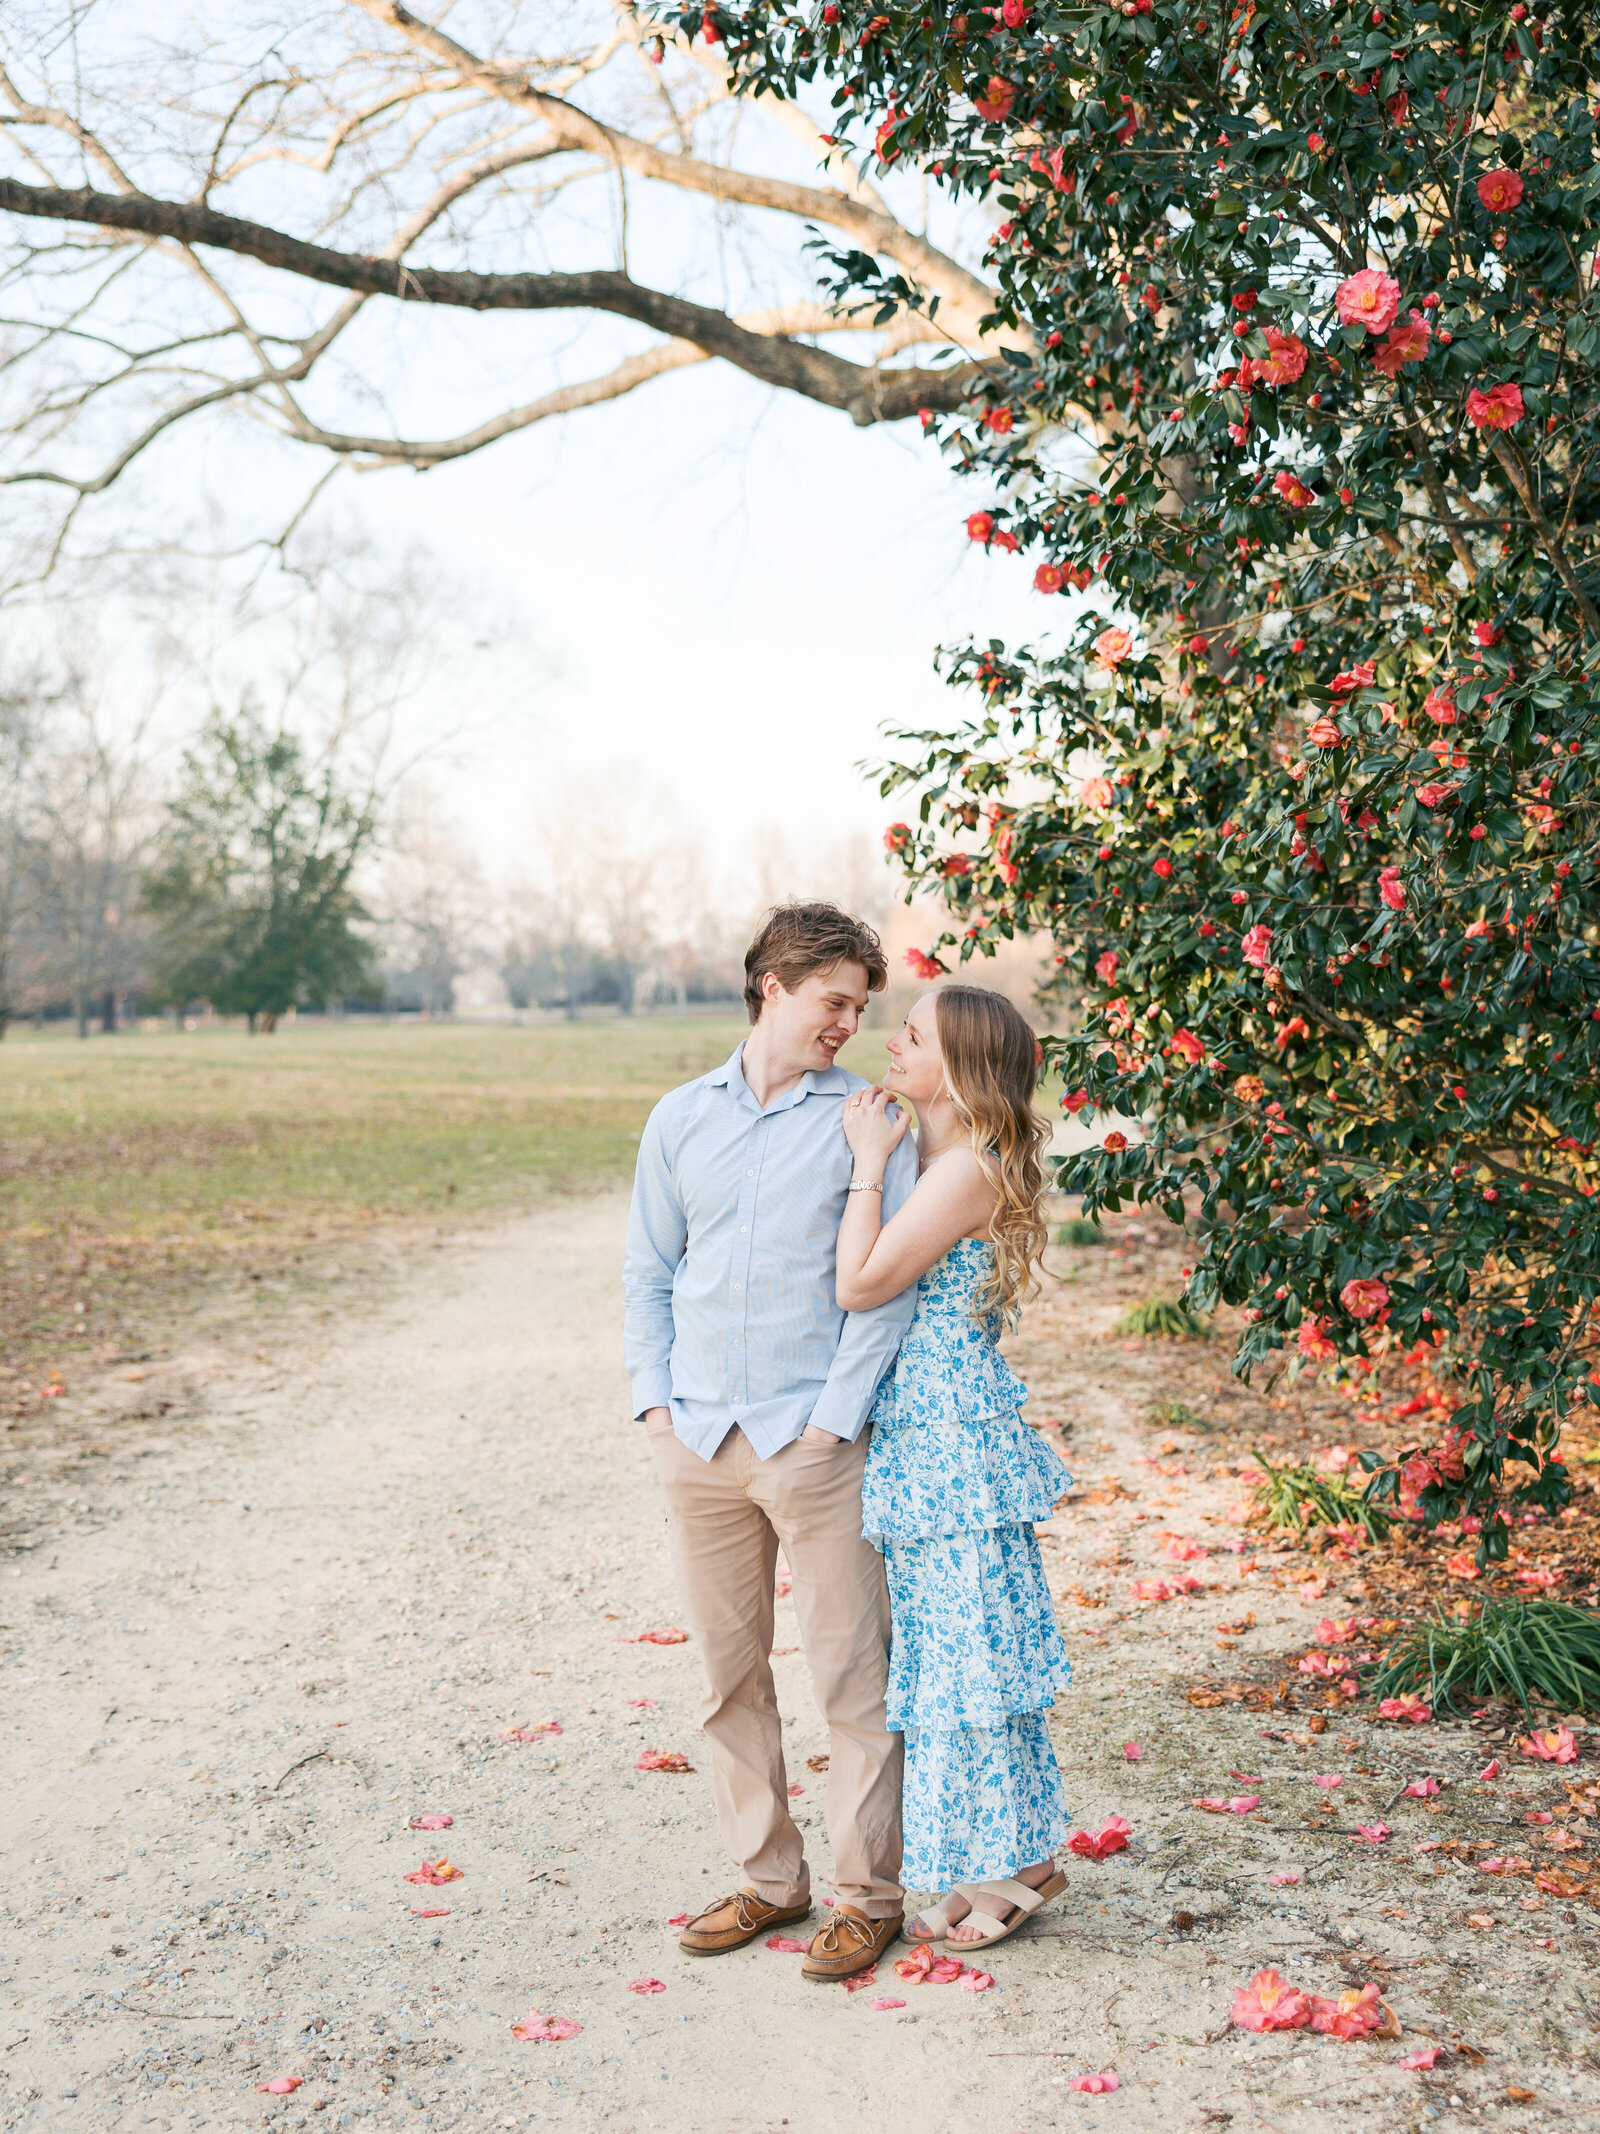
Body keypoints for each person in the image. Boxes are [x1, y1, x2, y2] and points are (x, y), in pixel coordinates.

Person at [623, 902, 919, 1983]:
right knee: (725, 1675)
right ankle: (767, 1880)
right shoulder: (678, 1117)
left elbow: (885, 1288)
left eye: (860, 1004)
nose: (849, 1022)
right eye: (834, 999)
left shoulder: (874, 1122)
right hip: (696, 1440)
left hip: (816, 1442)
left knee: (852, 1675)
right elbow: (650, 1271)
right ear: (774, 985)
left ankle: (864, 1897)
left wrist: (832, 1421)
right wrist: (654, 1407)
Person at [835, 983, 1073, 1950]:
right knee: (948, 1654)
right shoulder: (941, 1155)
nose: (889, 1043)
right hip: (924, 1426)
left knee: (972, 1651)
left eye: (911, 1035)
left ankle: (1016, 1866)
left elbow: (861, 1284)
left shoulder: (965, 1167)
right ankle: (1006, 1858)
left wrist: (864, 1166)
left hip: (951, 1435)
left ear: (961, 1066)